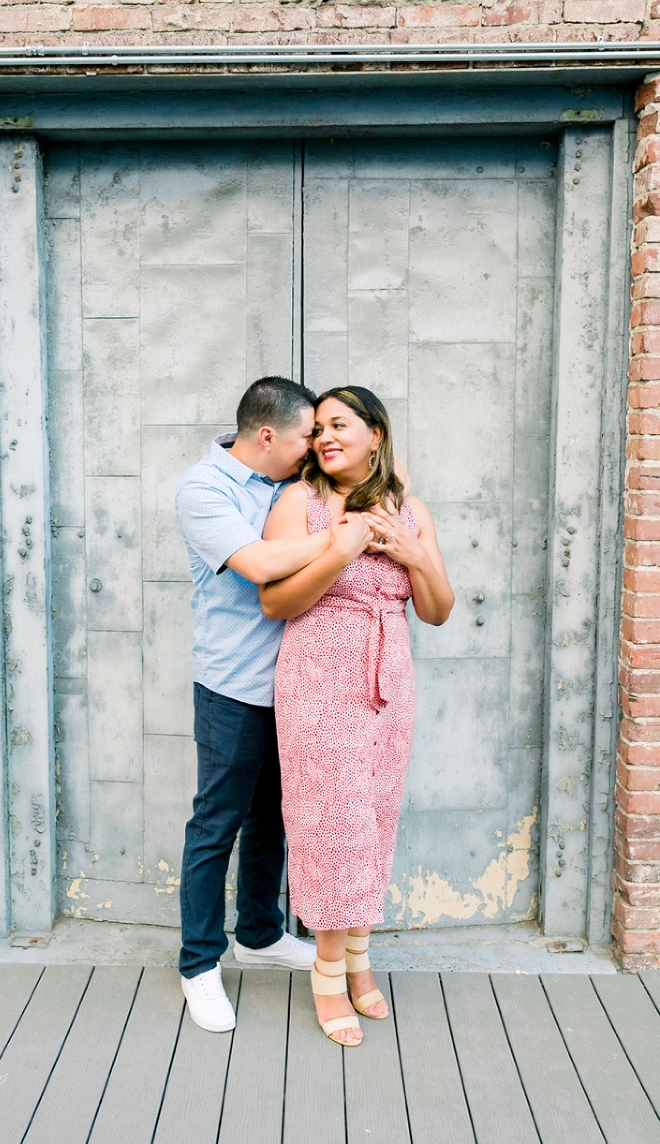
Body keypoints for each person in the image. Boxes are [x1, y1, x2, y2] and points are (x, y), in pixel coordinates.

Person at [260, 386, 454, 1047]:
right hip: (317, 682)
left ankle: (360, 961)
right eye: (316, 430)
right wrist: (339, 553)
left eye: (338, 426)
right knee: (331, 828)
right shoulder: (300, 503)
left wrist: (412, 553)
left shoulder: (410, 509)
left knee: (373, 819)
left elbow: (436, 608)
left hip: (388, 684)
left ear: (376, 433)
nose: (323, 439)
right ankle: (327, 971)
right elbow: (276, 604)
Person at [175, 376, 335, 1034]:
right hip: (233, 688)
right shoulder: (203, 490)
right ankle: (199, 966)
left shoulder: (293, 485)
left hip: (294, 686)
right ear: (267, 435)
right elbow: (261, 564)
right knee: (217, 824)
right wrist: (346, 538)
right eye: (305, 437)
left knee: (276, 818)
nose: (314, 449)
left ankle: (262, 935)